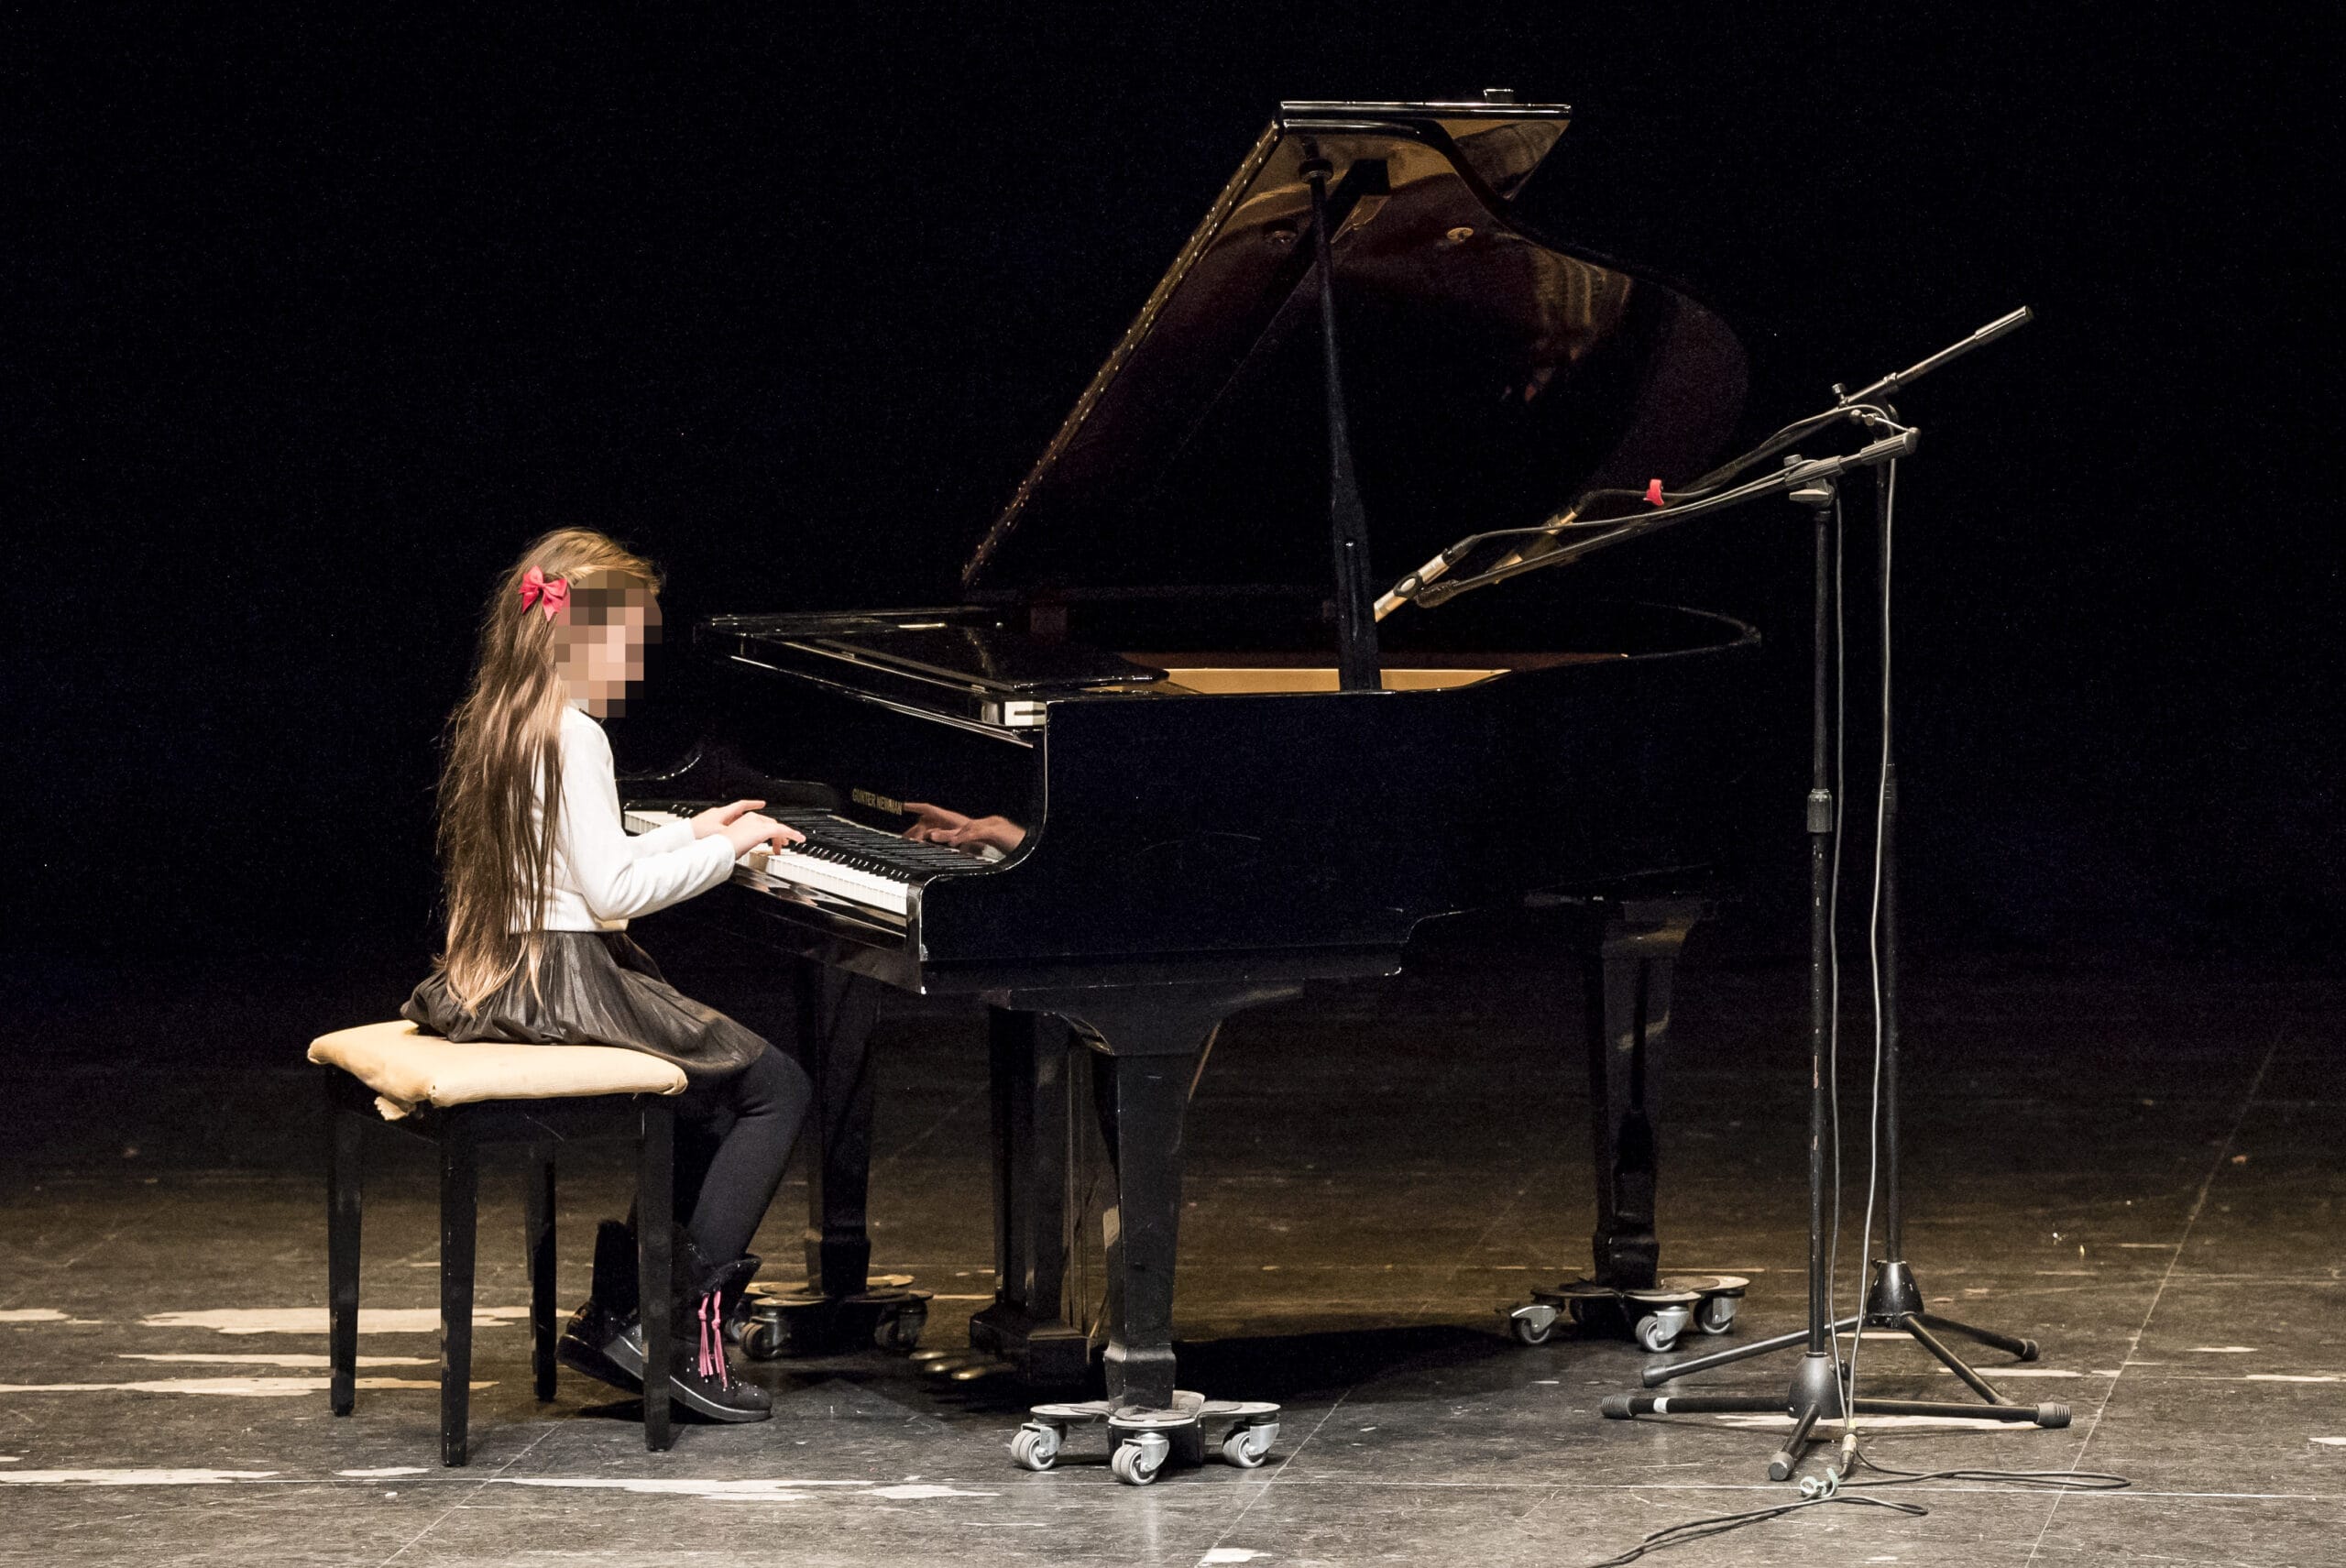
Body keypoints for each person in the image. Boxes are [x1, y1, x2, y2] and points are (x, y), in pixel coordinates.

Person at [401, 527, 808, 1424]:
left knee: (709, 1088)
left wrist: (696, 832)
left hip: (505, 968)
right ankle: (679, 1334)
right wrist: (731, 854)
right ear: (582, 634)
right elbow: (613, 891)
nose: (637, 664)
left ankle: (622, 1314)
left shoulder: (507, 717)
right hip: (563, 976)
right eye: (631, 643)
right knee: (777, 1087)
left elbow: (582, 860)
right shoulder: (576, 734)